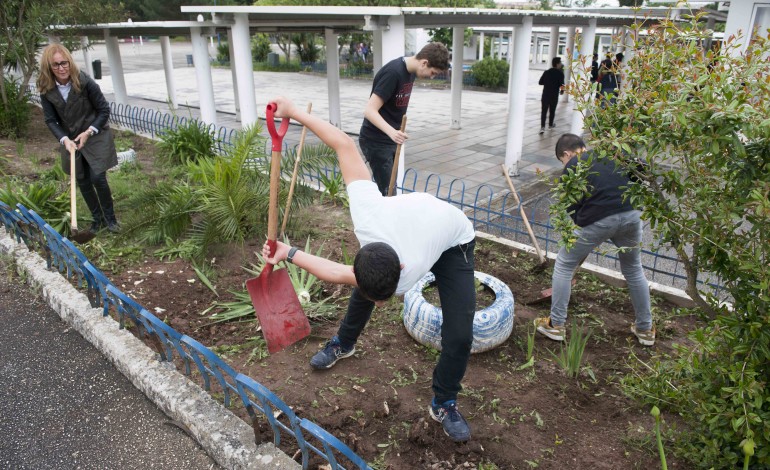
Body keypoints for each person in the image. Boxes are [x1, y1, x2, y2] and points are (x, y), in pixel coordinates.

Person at [262, 96, 477, 443]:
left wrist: (291, 254)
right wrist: (294, 112)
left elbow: (336, 272)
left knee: (460, 334)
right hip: (409, 226)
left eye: (385, 299)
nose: (382, 304)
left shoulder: (409, 270)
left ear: (403, 271)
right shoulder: (367, 210)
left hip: (454, 243)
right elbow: (343, 143)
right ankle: (344, 343)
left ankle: (444, 402)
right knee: (367, 284)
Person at [534, 133, 655, 346]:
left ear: (566, 153)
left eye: (562, 160)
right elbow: (642, 169)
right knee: (633, 268)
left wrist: (583, 222)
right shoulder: (611, 154)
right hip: (632, 214)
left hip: (599, 219)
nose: (565, 164)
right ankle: (645, 329)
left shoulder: (573, 165)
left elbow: (572, 205)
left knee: (564, 264)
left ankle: (556, 325)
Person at [37, 44, 120, 233]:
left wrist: (89, 131)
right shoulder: (46, 89)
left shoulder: (84, 82)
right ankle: (97, 219)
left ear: (69, 62)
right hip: (70, 139)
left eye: (63, 63)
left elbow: (104, 110)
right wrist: (64, 139)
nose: (61, 68)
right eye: (55, 65)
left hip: (94, 134)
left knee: (97, 176)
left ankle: (111, 220)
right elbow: (51, 120)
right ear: (49, 68)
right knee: (82, 179)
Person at [359, 43, 449, 195]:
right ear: (424, 63)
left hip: (390, 139)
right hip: (376, 140)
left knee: (391, 188)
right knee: (388, 192)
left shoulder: (411, 72)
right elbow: (369, 110)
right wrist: (392, 132)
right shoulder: (393, 73)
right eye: (433, 72)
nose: (432, 77)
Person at [538, 56, 565, 134]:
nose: (561, 64)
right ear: (557, 64)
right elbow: (562, 84)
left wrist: (547, 82)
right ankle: (550, 125)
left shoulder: (546, 72)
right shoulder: (560, 73)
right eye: (560, 63)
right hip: (554, 95)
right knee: (552, 111)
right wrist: (562, 91)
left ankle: (542, 127)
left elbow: (540, 82)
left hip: (545, 95)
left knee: (544, 111)